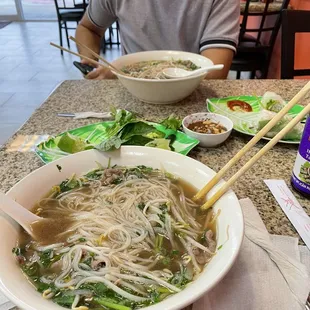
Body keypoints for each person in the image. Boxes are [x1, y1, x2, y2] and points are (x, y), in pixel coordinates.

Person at [76, 0, 240, 80]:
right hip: (130, 95)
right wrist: (91, 64)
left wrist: (124, 76)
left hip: (194, 97)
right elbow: (88, 29)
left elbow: (213, 74)